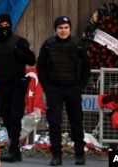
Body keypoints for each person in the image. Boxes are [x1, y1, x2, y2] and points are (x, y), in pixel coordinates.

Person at [36, 16, 90, 166]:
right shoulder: (48, 44)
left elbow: (86, 67)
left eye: (66, 27)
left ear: (70, 29)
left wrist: (81, 86)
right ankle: (56, 156)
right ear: (55, 29)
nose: (63, 30)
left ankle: (79, 154)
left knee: (76, 122)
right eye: (60, 28)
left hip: (73, 88)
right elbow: (40, 66)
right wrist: (47, 87)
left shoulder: (78, 44)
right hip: (54, 89)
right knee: (54, 123)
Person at [0, 13, 36, 162]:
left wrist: (17, 52)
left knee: (15, 116)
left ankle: (13, 149)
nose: (4, 28)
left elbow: (31, 60)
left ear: (10, 24)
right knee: (6, 116)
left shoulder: (19, 41)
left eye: (6, 25)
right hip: (3, 86)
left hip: (17, 84)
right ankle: (15, 149)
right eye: (1, 26)